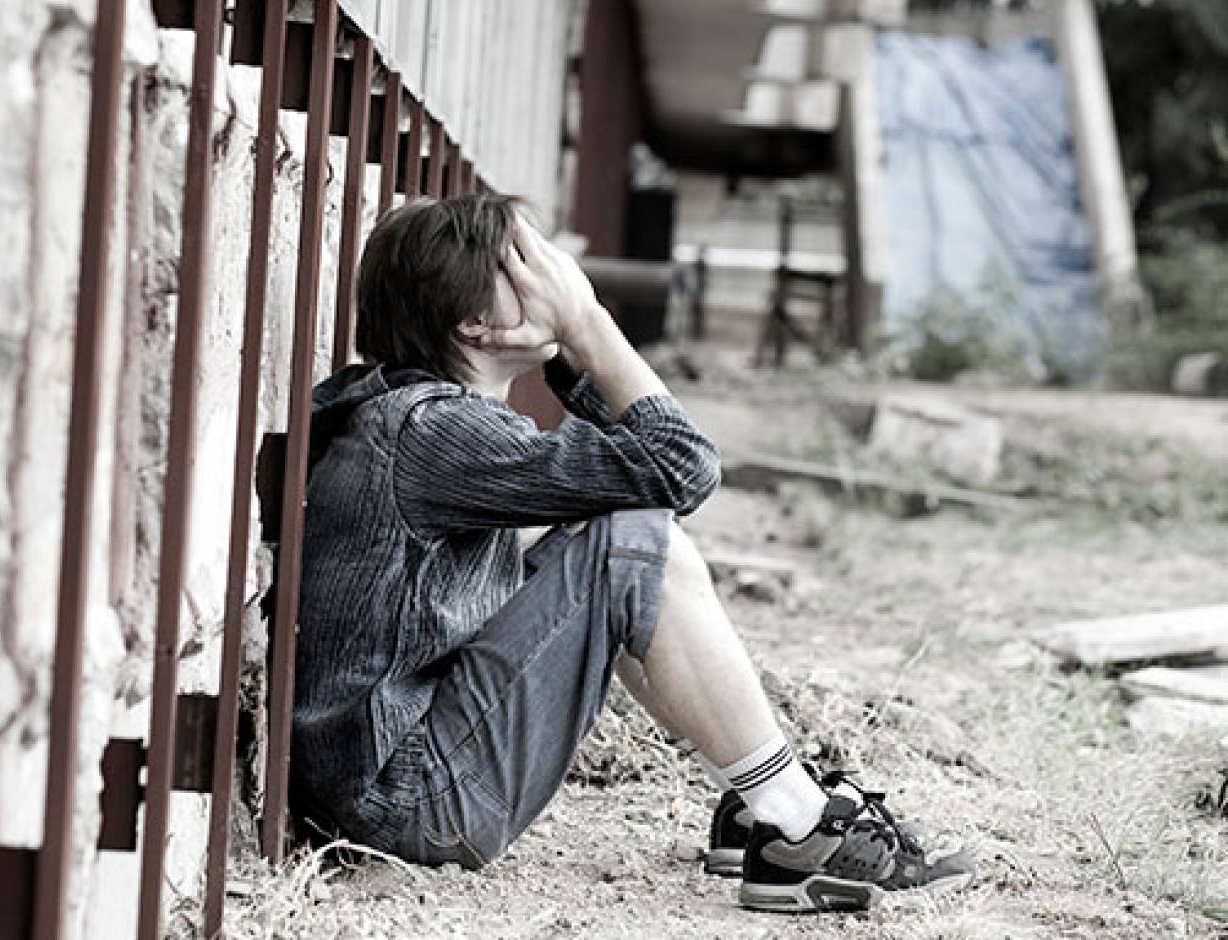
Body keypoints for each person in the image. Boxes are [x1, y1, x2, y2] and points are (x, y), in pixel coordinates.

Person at [289, 194, 973, 912]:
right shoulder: (433, 432)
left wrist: (568, 356)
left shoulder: (421, 413)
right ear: (474, 321)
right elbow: (682, 466)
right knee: (630, 544)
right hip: (407, 805)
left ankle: (766, 804)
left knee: (611, 536)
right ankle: (798, 822)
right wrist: (587, 325)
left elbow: (646, 471)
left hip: (396, 779)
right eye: (525, 266)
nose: (556, 277)